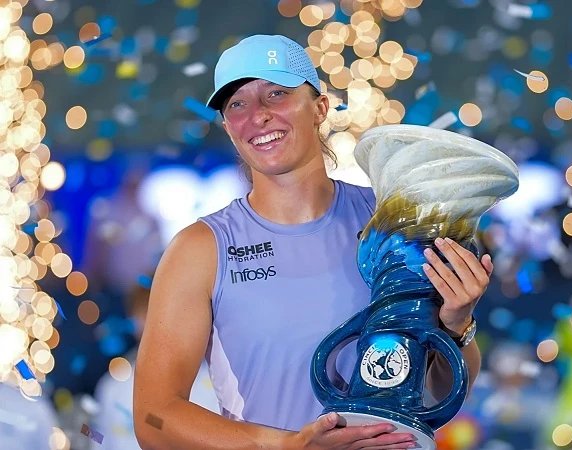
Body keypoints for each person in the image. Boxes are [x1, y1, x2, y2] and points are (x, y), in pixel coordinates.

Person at [133, 34, 493, 449]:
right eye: (237, 104)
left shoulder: (393, 224)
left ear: (320, 107)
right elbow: (153, 418)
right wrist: (290, 446)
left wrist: (456, 325)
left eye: (277, 94)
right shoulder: (201, 249)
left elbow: (440, 393)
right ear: (228, 128)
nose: (258, 115)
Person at [95, 278, 219, 449]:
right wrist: (82, 431)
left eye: (161, 310)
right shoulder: (113, 387)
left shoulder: (215, 385)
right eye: (144, 312)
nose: (153, 322)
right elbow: (100, 440)